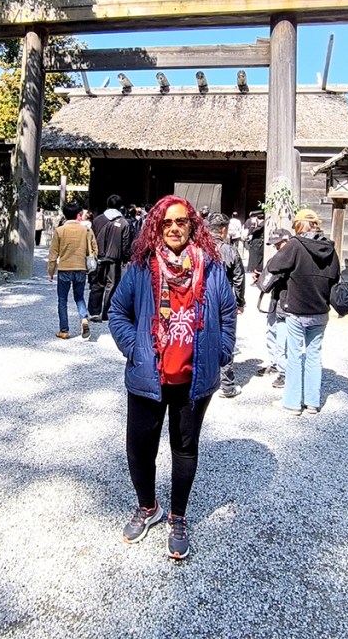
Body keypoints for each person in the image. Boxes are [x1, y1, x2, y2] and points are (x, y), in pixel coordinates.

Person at [108, 195, 237, 560]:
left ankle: (178, 516)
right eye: (166, 223)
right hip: (149, 375)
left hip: (194, 379)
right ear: (156, 227)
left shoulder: (210, 267)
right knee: (139, 448)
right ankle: (148, 507)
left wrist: (221, 351)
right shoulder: (142, 267)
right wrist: (135, 348)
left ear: (192, 225)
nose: (174, 228)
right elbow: (117, 311)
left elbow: (227, 312)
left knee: (184, 449)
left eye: (181, 221)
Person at [264, 209, 339, 416]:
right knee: (314, 355)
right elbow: (335, 277)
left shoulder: (295, 244)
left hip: (297, 309)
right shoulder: (330, 248)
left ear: (298, 225)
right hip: (320, 310)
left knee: (295, 356)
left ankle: (292, 403)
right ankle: (312, 402)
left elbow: (274, 265)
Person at [205, 212, 245, 398]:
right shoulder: (230, 250)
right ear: (223, 230)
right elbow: (239, 278)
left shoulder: (198, 248)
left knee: (202, 335)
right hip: (225, 298)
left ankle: (204, 377)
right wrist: (240, 301)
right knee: (226, 337)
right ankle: (226, 384)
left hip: (202, 297)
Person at [48, 200, 97, 340]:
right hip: (80, 267)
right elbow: (94, 249)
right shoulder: (85, 230)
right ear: (77, 214)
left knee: (62, 299)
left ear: (64, 214)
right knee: (79, 297)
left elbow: (53, 255)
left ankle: (64, 330)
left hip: (64, 268)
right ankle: (84, 318)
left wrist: (51, 272)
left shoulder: (60, 230)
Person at [255, 228, 292, 388]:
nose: (277, 247)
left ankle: (285, 371)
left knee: (283, 336)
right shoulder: (277, 258)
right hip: (275, 298)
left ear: (287, 240)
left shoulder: (293, 257)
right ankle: (275, 364)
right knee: (271, 331)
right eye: (275, 244)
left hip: (287, 300)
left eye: (279, 243)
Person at [89, 194, 132, 322]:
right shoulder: (124, 222)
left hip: (98, 257)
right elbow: (125, 243)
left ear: (107, 204)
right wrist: (126, 258)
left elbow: (91, 238)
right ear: (120, 206)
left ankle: (94, 311)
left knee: (96, 284)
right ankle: (107, 313)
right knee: (111, 286)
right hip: (114, 259)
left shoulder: (97, 220)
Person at [244, 210, 265, 277]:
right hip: (256, 245)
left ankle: (256, 273)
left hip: (258, 245)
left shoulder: (262, 224)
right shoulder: (259, 224)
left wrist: (253, 227)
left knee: (256, 261)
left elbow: (254, 231)